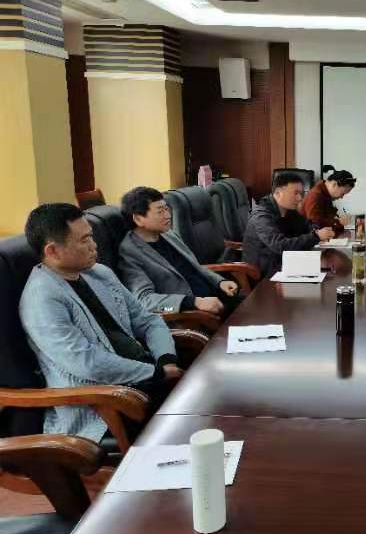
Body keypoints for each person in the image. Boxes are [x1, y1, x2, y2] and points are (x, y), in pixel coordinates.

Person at [19, 203, 183, 442]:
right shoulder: (42, 298)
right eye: (84, 240)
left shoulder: (99, 273)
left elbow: (148, 321)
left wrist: (166, 359)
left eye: (91, 236)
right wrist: (156, 373)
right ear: (52, 251)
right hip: (102, 404)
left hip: (145, 375)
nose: (94, 245)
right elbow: (87, 364)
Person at [118, 186, 240, 317]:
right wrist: (194, 303)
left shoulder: (168, 234)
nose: (168, 215)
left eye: (166, 208)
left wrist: (220, 282)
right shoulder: (129, 252)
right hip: (195, 315)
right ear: (138, 219)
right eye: (160, 212)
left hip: (214, 297)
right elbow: (145, 300)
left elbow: (195, 266)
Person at [243, 172, 335, 278]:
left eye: (301, 193)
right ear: (278, 193)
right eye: (296, 193)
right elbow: (280, 245)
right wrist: (316, 236)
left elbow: (307, 226)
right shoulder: (261, 216)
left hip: (286, 265)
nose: (300, 198)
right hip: (262, 274)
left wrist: (316, 231)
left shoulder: (289, 211)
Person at [299, 169, 357, 236]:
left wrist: (337, 219)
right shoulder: (316, 195)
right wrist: (338, 222)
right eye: (342, 193)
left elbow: (326, 218)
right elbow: (316, 224)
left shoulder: (325, 194)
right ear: (334, 184)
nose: (342, 197)